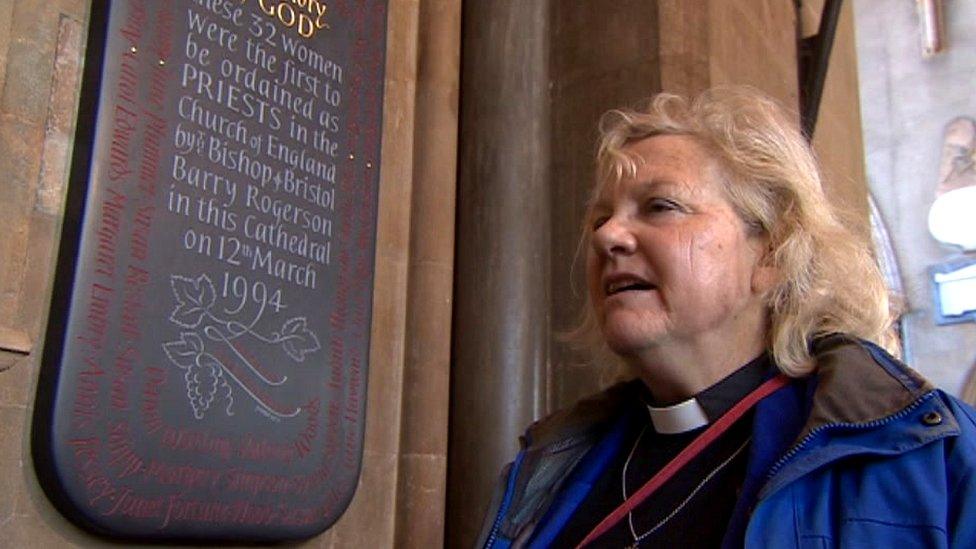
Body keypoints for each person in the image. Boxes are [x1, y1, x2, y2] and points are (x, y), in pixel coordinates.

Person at [476, 87, 976, 548]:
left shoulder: (933, 456)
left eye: (660, 206)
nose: (609, 236)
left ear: (774, 252)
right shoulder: (547, 465)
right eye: (599, 218)